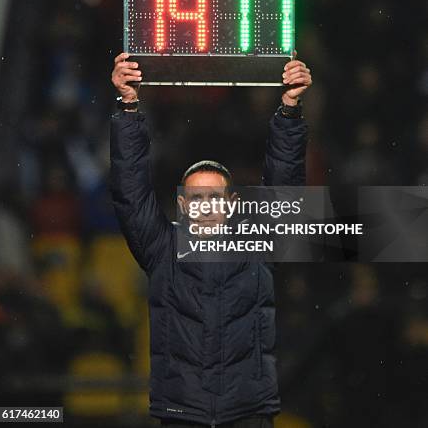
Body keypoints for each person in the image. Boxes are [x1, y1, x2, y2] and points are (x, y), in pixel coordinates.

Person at [109, 52, 312, 427]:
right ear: (182, 204)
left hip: (248, 412)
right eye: (196, 197)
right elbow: (130, 190)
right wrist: (128, 107)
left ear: (233, 203)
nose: (205, 205)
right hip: (182, 413)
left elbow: (284, 192)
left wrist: (289, 108)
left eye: (214, 196)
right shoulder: (162, 249)